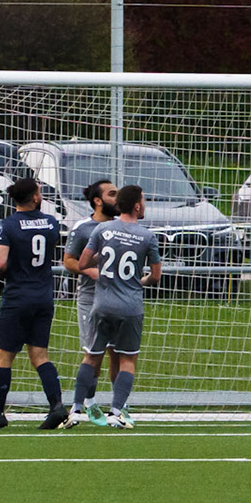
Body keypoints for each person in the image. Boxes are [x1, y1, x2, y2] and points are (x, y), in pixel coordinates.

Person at [0, 177, 68, 430]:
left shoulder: (8, 225)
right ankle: (56, 405)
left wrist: (9, 269)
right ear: (34, 197)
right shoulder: (51, 223)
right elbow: (51, 244)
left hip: (18, 296)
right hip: (43, 295)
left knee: (3, 356)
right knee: (40, 355)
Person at [80, 183, 162, 429]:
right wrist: (139, 281)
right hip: (128, 304)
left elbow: (81, 262)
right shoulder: (146, 235)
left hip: (101, 302)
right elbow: (156, 276)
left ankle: (82, 404)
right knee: (126, 359)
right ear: (137, 205)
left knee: (94, 356)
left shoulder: (102, 230)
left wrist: (104, 270)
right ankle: (116, 409)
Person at [62, 178, 119, 425]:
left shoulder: (123, 227)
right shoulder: (83, 228)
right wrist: (89, 270)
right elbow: (68, 260)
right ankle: (84, 402)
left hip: (119, 298)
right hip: (90, 298)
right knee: (93, 353)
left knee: (118, 353)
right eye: (112, 194)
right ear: (98, 201)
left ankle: (120, 407)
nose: (117, 198)